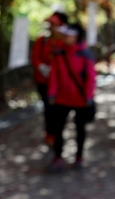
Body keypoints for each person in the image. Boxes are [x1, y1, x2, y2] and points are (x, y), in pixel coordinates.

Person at [47, 23, 96, 172]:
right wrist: (52, 93)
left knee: (80, 129)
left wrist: (88, 96)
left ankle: (79, 156)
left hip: (80, 99)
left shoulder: (85, 54)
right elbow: (54, 75)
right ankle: (58, 157)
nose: (64, 37)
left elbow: (91, 77)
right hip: (62, 99)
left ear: (76, 37)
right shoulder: (58, 53)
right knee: (58, 128)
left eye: (67, 35)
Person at [31, 11, 68, 146]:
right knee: (48, 108)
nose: (50, 26)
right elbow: (35, 57)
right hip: (43, 81)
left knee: (58, 109)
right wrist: (43, 68)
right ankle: (50, 133)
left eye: (54, 24)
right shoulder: (42, 40)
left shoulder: (64, 41)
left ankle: (58, 132)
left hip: (59, 83)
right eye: (50, 24)